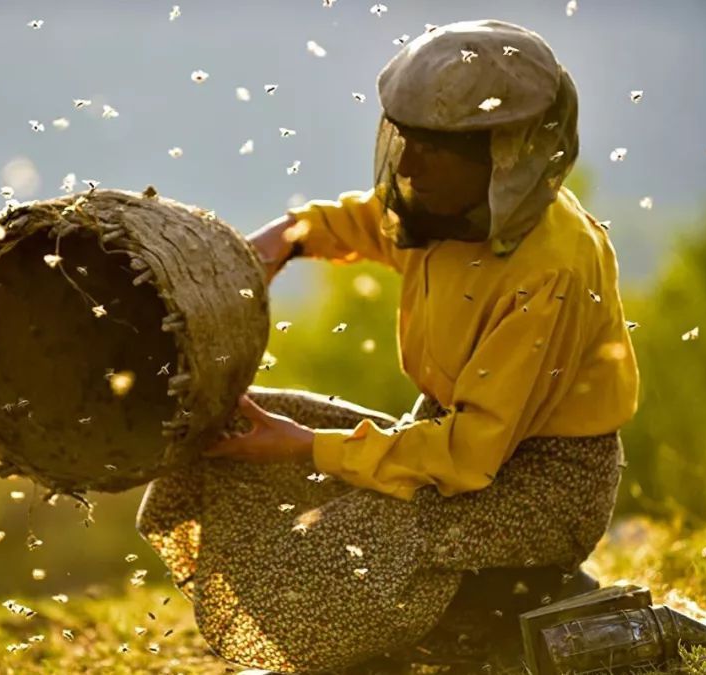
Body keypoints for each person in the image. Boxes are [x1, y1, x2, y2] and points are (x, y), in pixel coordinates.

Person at [136, 19, 639, 674]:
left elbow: (466, 456)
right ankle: (448, 616)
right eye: (408, 138)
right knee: (234, 430)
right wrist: (288, 237)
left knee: (346, 543)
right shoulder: (446, 206)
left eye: (435, 147)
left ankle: (501, 605)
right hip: (446, 441)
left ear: (505, 151)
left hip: (542, 488)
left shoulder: (551, 271)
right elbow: (369, 221)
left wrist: (304, 446)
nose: (407, 162)